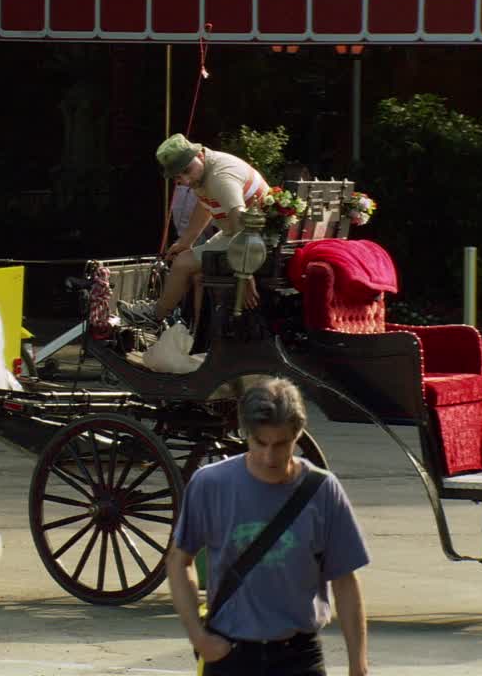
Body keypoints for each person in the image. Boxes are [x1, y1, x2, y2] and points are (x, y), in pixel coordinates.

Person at [166, 377, 369, 676]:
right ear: (246, 434)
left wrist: (358, 665)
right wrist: (198, 636)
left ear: (298, 435)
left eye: (281, 444)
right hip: (229, 653)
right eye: (261, 443)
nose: (269, 457)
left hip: (298, 657)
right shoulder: (210, 484)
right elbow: (178, 561)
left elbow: (345, 580)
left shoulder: (323, 489)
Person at [120, 134, 269, 330]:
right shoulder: (203, 172)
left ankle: (154, 318)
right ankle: (194, 330)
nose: (185, 179)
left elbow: (239, 219)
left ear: (200, 154)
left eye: (187, 170)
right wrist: (185, 241)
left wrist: (246, 275)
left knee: (182, 264)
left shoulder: (220, 178)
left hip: (253, 237)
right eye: (178, 176)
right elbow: (205, 205)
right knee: (189, 263)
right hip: (238, 232)